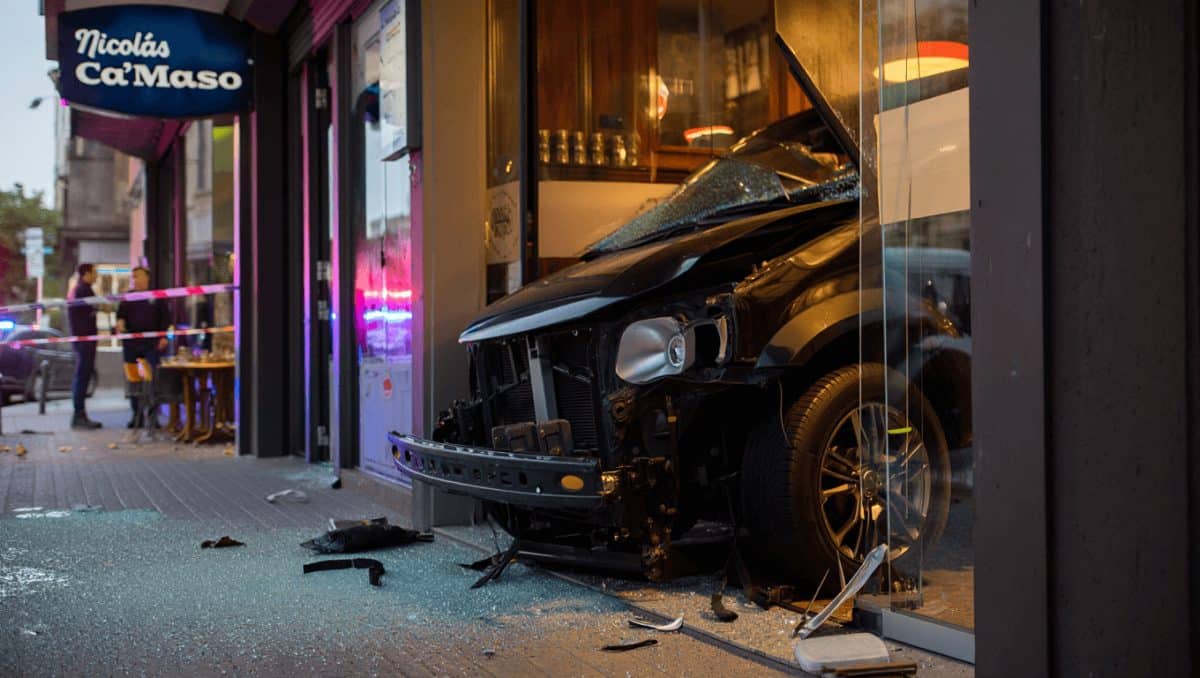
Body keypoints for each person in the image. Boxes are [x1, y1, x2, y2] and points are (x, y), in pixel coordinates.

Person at [116, 267, 168, 428]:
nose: (135, 279)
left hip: (151, 345)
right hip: (131, 346)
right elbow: (120, 317)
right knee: (134, 381)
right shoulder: (127, 298)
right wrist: (120, 324)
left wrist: (164, 337)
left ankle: (152, 417)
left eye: (138, 276)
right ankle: (136, 416)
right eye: (133, 277)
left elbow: (166, 319)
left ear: (147, 278)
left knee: (151, 380)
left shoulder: (156, 296)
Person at [67, 263, 102, 429]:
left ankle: (80, 414)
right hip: (84, 340)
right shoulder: (82, 290)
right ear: (86, 274)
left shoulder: (81, 290)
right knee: (82, 376)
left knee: (83, 376)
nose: (97, 276)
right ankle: (79, 415)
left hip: (84, 340)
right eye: (94, 273)